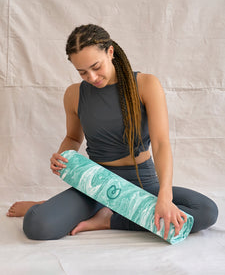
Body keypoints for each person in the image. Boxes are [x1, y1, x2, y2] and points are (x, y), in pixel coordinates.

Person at [7, 24, 218, 240]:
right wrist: (62, 155)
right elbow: (72, 137)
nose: (92, 76)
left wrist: (164, 196)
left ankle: (108, 219)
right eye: (82, 72)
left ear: (110, 52)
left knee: (206, 211)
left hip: (142, 181)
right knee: (36, 225)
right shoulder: (74, 94)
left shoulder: (146, 84)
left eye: (96, 66)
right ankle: (52, 207)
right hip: (96, 184)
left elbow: (161, 143)